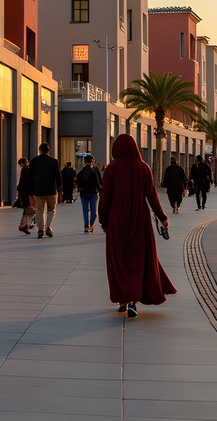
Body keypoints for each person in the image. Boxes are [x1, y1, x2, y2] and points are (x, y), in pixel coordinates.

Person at [98, 134, 175, 318]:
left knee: (119, 260)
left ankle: (123, 300)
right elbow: (152, 196)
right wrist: (162, 217)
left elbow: (105, 198)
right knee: (138, 258)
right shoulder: (144, 168)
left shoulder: (111, 169)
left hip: (117, 221)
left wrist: (103, 220)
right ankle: (133, 302)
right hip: (140, 220)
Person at [28, 142, 61, 237]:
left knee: (40, 210)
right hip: (51, 190)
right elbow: (58, 176)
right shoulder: (54, 161)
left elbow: (30, 177)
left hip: (38, 190)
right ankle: (48, 227)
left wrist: (31, 190)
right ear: (48, 151)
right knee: (51, 209)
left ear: (40, 150)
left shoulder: (34, 161)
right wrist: (59, 188)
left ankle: (40, 230)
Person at [76, 154, 102, 233]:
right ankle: (91, 225)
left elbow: (78, 183)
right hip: (93, 193)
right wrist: (100, 190)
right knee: (93, 210)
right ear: (92, 161)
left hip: (83, 193)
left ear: (85, 161)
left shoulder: (81, 172)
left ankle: (86, 226)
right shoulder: (94, 171)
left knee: (85, 210)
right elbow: (98, 182)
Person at [15, 157, 36, 234]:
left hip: (25, 193)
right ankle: (25, 225)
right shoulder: (27, 169)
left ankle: (24, 225)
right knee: (31, 210)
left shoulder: (25, 169)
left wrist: (19, 190)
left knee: (28, 210)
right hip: (28, 193)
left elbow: (22, 182)